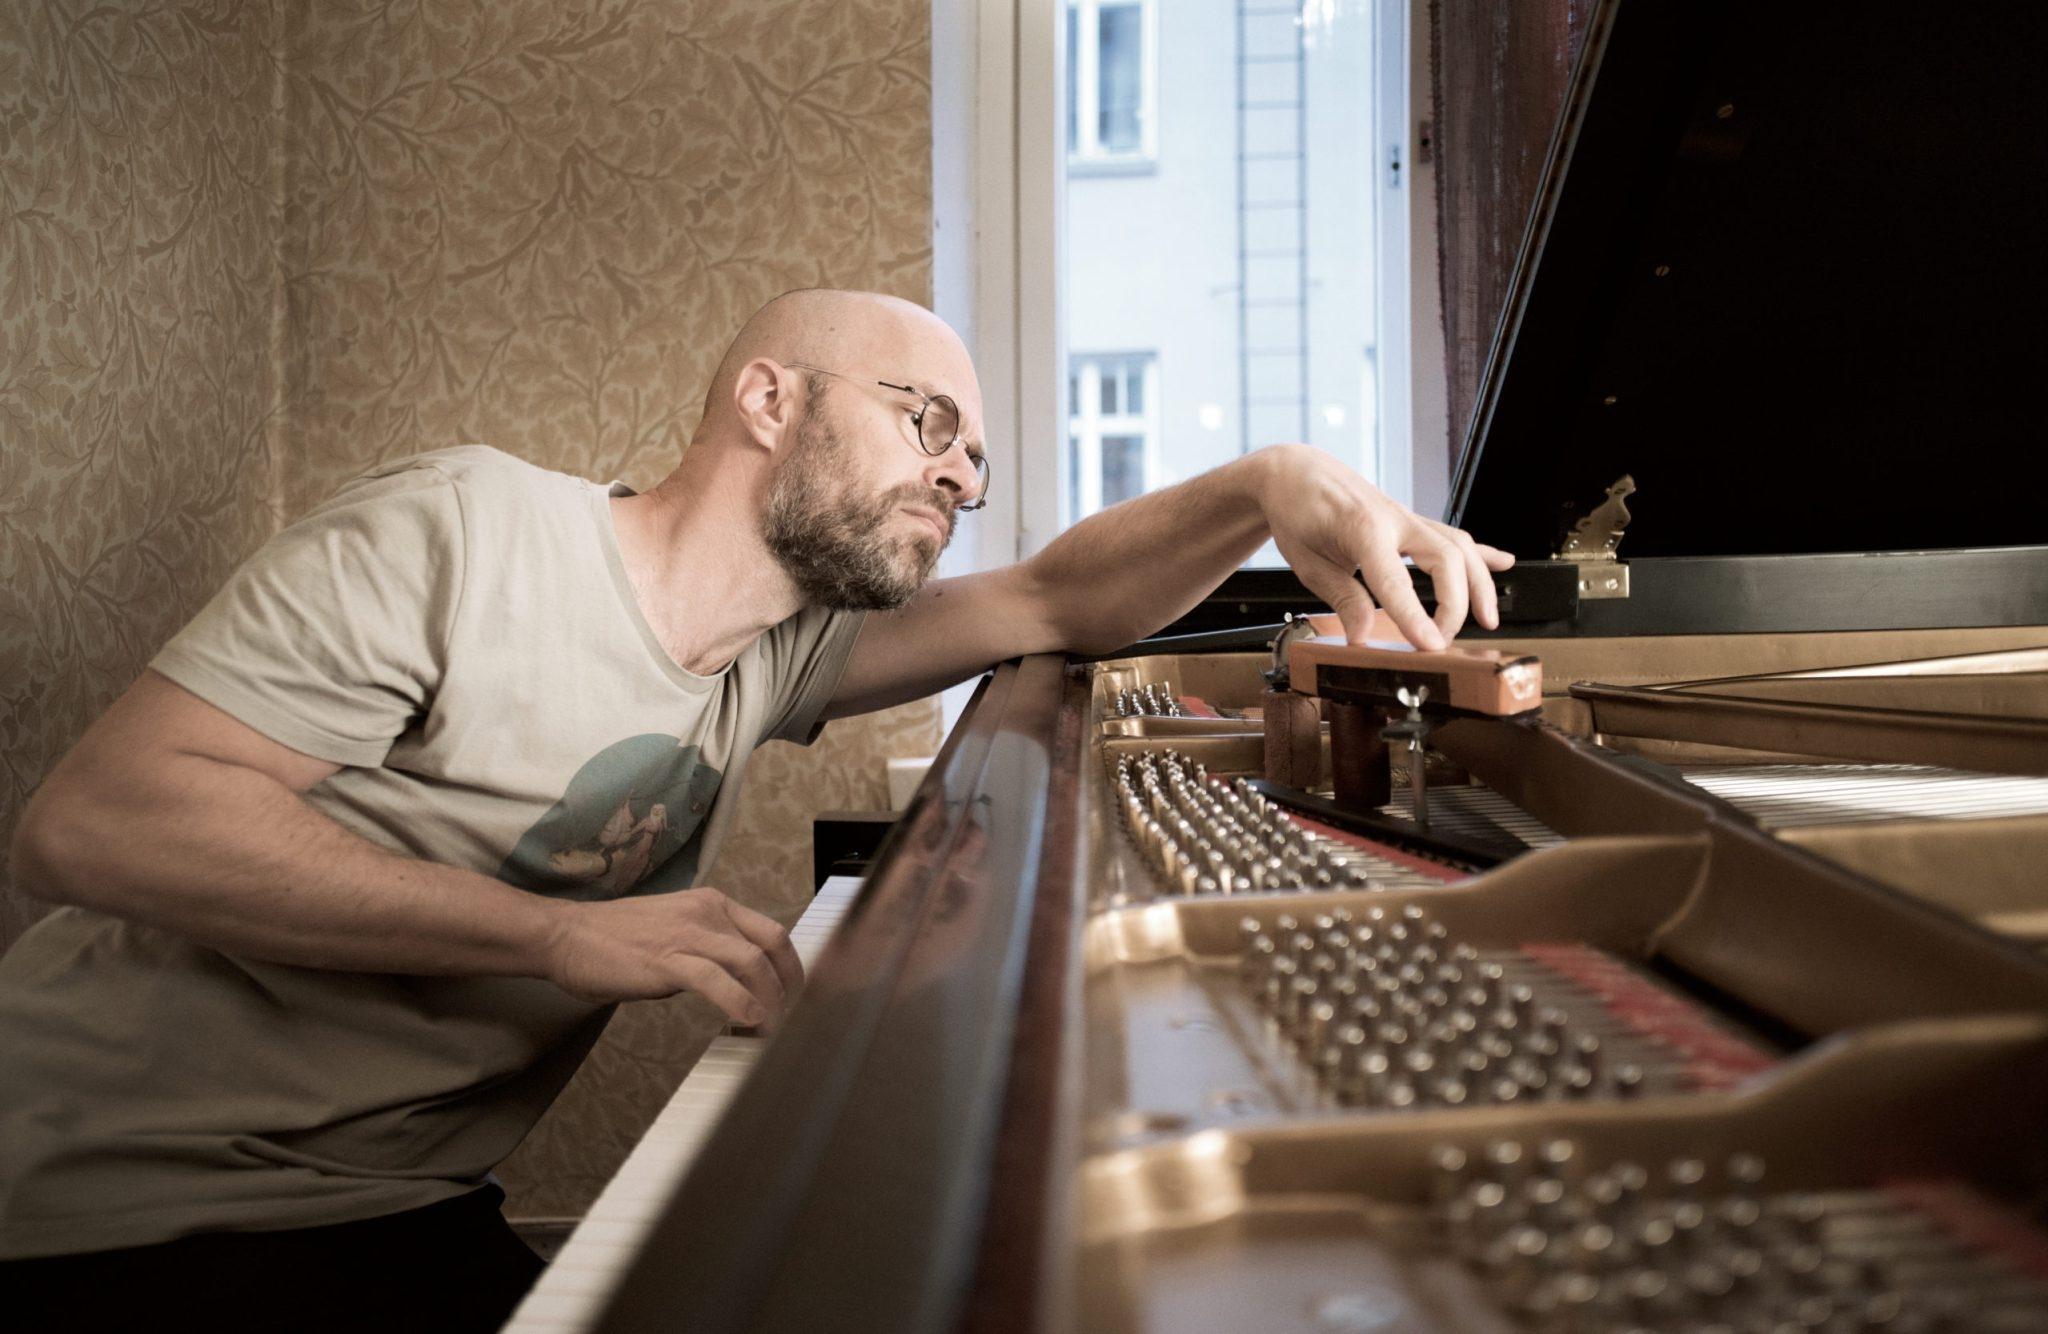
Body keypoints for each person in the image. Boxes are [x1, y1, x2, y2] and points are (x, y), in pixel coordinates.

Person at [0, 289, 1512, 1330]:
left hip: (391, 1199)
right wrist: (553, 933)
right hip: (117, 1190)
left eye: (975, 465)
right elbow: (97, 826)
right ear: (770, 397)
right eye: (928, 421)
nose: (959, 478)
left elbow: (1063, 598)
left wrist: (1271, 480)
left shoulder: (777, 650)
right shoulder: (462, 531)